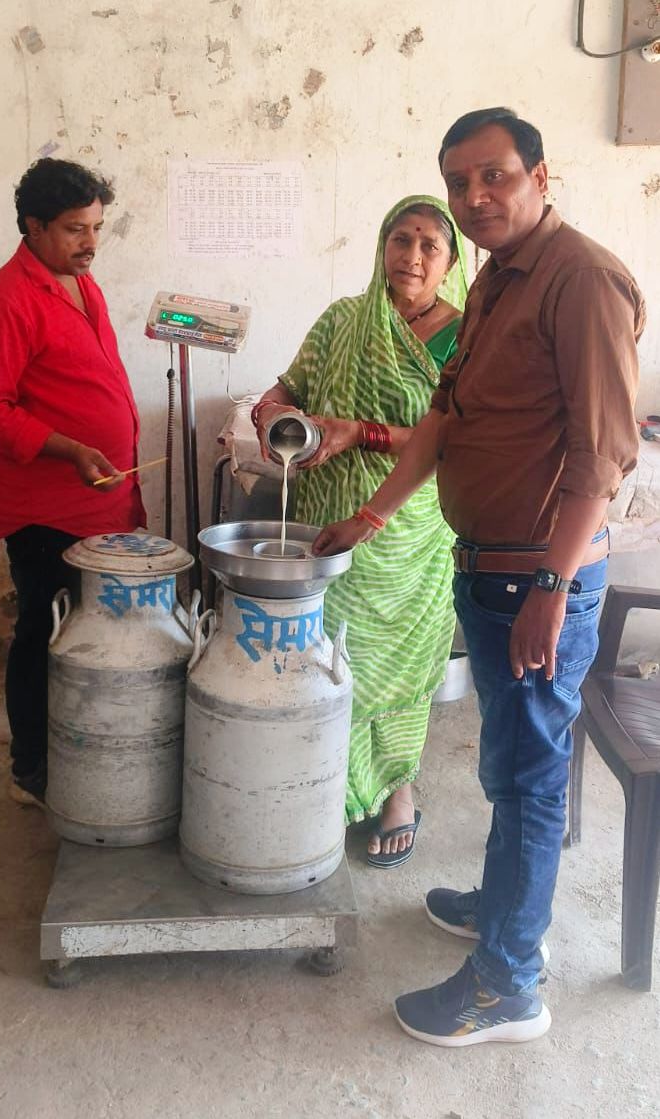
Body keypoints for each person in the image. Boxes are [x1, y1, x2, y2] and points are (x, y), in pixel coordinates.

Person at [314, 109, 644, 1043]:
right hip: (490, 570)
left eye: (493, 175)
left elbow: (602, 458)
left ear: (541, 174)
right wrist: (371, 514)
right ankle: (500, 906)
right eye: (458, 182)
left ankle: (508, 985)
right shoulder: (499, 278)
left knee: (532, 778)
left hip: (536, 578)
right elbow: (446, 419)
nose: (474, 197)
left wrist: (551, 587)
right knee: (507, 762)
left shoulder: (581, 279)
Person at [252, 195, 468, 867]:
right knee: (322, 657)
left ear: (451, 263)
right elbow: (284, 391)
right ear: (381, 247)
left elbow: (457, 437)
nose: (412, 256)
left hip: (407, 533)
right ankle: (320, 784)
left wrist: (360, 433)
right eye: (401, 240)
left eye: (430, 245)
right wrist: (272, 419)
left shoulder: (465, 337)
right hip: (323, 518)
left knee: (391, 665)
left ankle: (398, 793)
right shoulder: (343, 321)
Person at [0, 158, 146, 807]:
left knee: (85, 636)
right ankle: (32, 768)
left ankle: (77, 746)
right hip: (46, 510)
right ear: (34, 226)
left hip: (99, 501)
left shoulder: (78, 282)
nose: (91, 242)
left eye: (96, 226)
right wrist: (69, 448)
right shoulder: (5, 302)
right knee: (44, 635)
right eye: (75, 228)